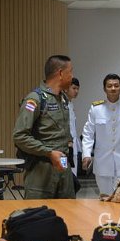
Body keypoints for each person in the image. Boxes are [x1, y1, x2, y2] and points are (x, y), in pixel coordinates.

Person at [13, 54, 76, 200]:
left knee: (68, 212)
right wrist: (48, 153)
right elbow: (19, 136)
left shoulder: (63, 99)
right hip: (41, 171)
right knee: (39, 212)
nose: (72, 76)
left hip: (64, 169)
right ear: (61, 73)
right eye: (71, 71)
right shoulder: (35, 99)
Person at [81, 73, 120, 197]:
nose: (113, 88)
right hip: (102, 162)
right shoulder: (96, 109)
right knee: (105, 198)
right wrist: (86, 154)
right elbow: (88, 133)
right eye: (109, 86)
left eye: (116, 85)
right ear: (104, 89)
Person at [67, 77, 82, 175]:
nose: (76, 91)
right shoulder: (62, 104)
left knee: (73, 176)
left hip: (74, 147)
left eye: (78, 89)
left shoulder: (71, 104)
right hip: (66, 148)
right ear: (66, 88)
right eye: (74, 88)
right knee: (66, 176)